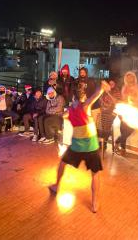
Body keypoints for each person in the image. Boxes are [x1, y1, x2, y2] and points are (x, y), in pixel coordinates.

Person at [49, 81, 111, 213]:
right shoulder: (84, 106)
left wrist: (65, 115)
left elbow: (64, 115)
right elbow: (94, 96)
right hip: (90, 146)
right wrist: (102, 87)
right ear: (83, 96)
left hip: (77, 146)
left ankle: (56, 186)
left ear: (73, 98)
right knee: (95, 174)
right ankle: (94, 203)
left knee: (63, 163)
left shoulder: (71, 110)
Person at [115, 71, 138, 156]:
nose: (129, 79)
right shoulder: (124, 88)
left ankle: (117, 141)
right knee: (123, 130)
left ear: (134, 78)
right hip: (124, 113)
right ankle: (123, 149)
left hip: (134, 114)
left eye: (131, 77)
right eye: (127, 77)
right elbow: (122, 99)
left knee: (129, 131)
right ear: (125, 79)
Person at [97, 80, 121, 150]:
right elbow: (100, 100)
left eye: (112, 83)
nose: (111, 85)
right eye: (109, 83)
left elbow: (116, 101)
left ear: (115, 84)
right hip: (103, 111)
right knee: (101, 127)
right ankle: (100, 142)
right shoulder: (104, 91)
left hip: (111, 112)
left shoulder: (117, 91)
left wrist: (109, 93)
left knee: (106, 127)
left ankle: (104, 143)